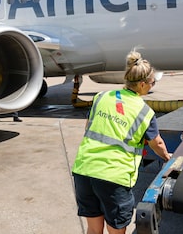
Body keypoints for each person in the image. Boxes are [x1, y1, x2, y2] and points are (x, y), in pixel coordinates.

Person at [72, 50, 171, 234]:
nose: (152, 86)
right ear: (142, 84)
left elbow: (88, 128)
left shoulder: (101, 97)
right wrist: (167, 158)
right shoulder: (144, 112)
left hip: (84, 170)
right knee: (116, 230)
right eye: (152, 83)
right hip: (113, 177)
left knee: (93, 230)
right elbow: (156, 143)